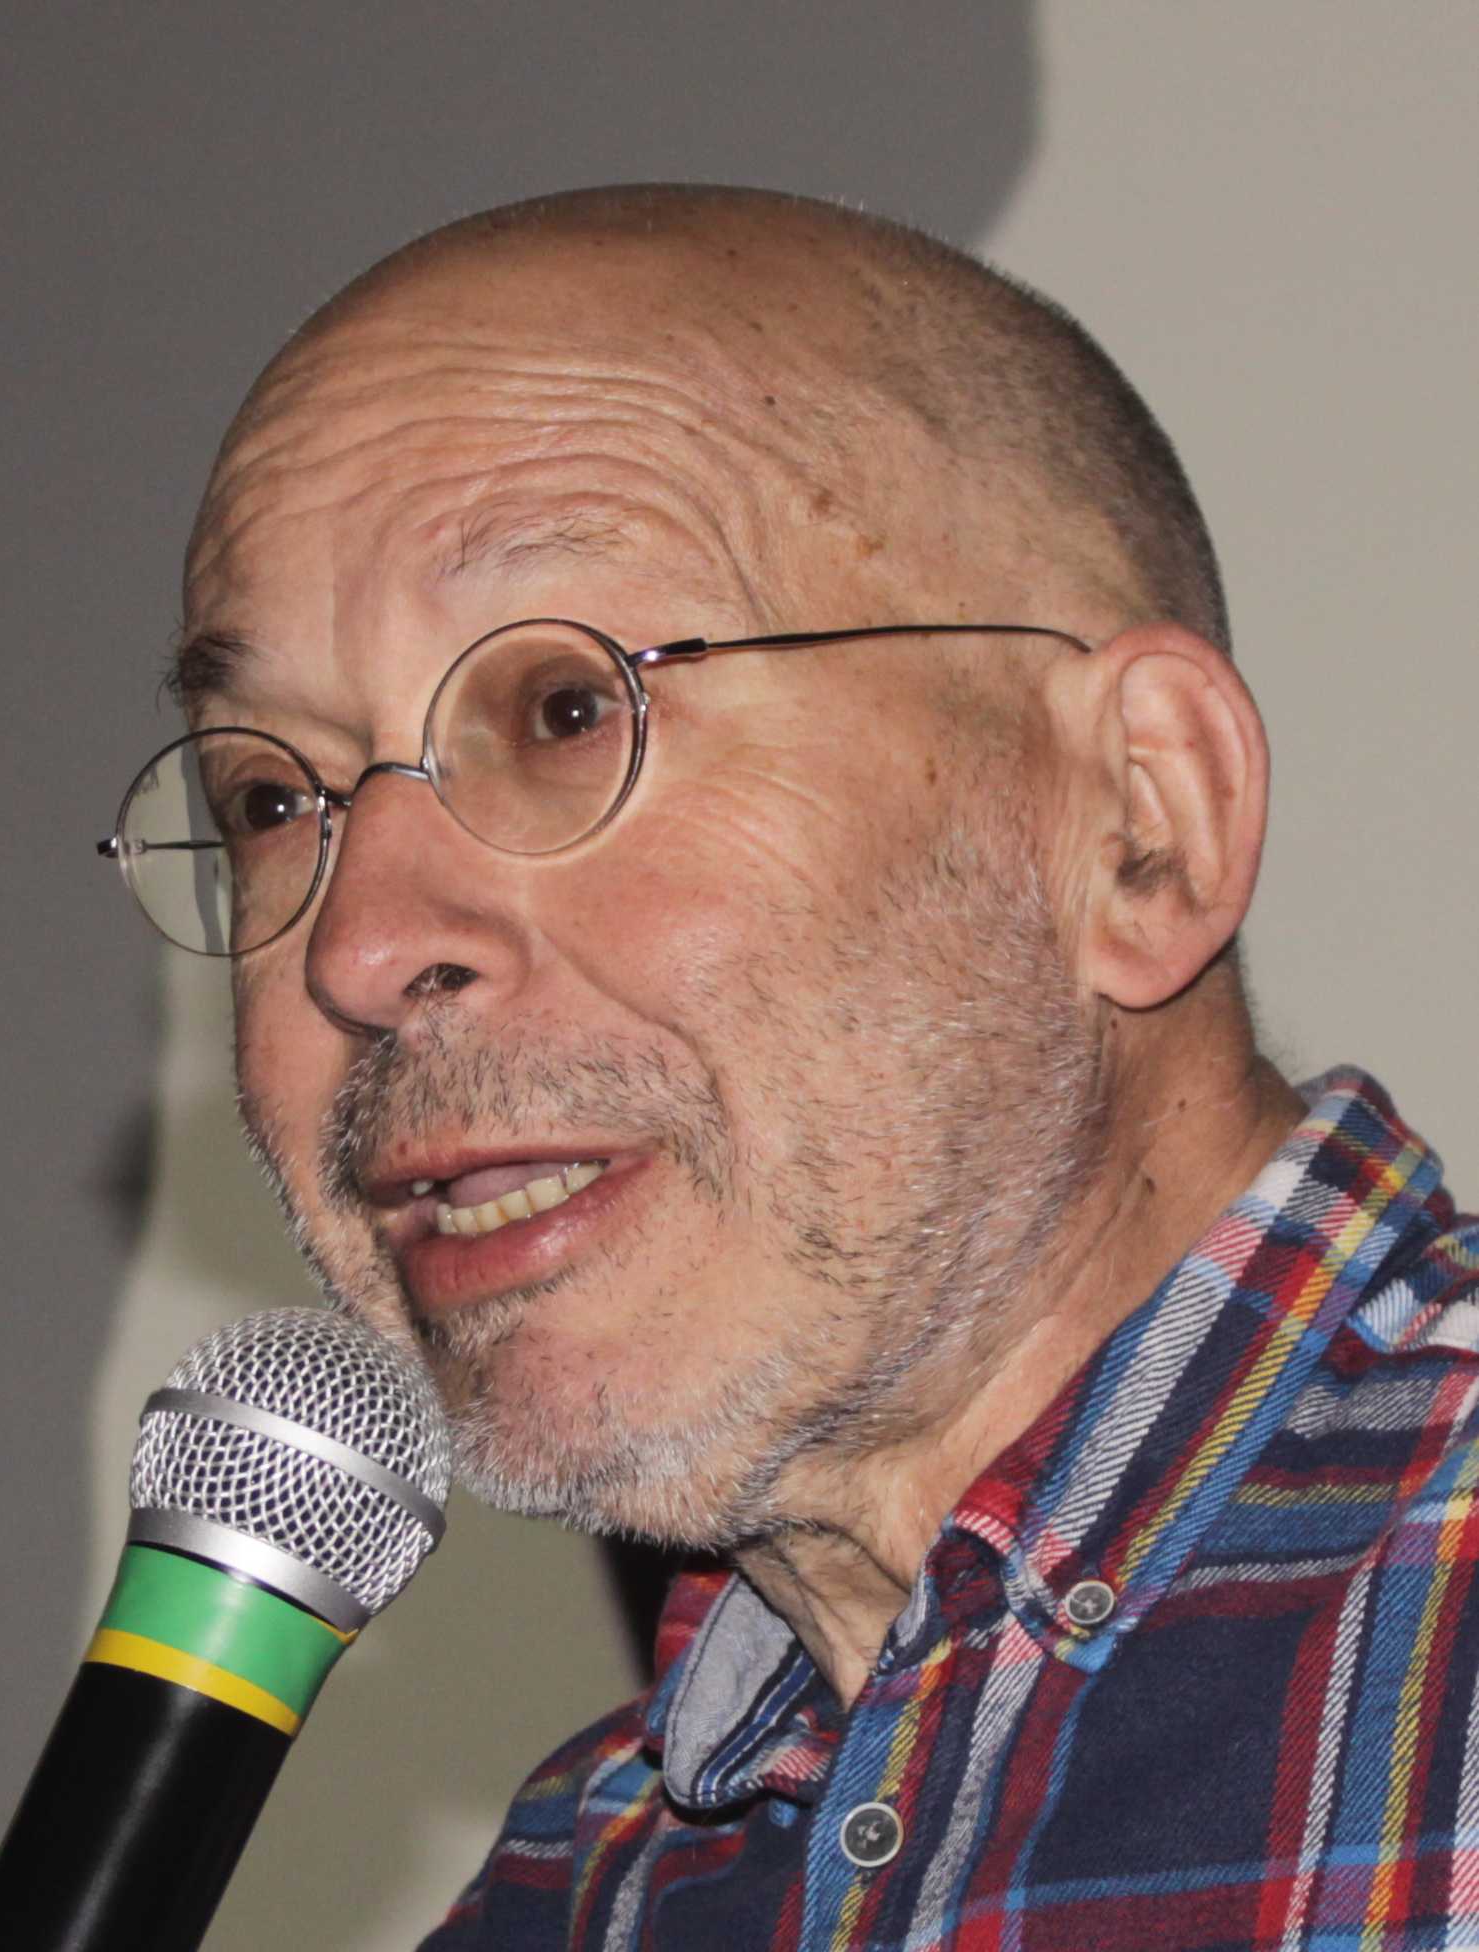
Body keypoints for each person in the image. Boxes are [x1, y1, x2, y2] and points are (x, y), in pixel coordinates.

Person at [104, 185, 1479, 1948]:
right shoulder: (569, 1898)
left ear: (1140, 821)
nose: (357, 944)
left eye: (567, 709)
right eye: (268, 796)